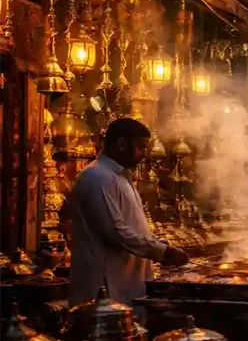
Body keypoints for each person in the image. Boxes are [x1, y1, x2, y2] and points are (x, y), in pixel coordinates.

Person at [69, 118, 190, 309]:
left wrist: (161, 246)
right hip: (105, 288)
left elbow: (131, 226)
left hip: (127, 284)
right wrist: (163, 252)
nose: (144, 155)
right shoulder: (97, 177)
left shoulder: (121, 177)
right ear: (122, 144)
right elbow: (117, 232)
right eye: (141, 147)